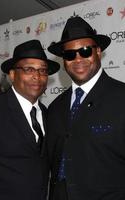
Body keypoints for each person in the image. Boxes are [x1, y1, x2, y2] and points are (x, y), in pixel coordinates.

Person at [47, 16, 125, 200]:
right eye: (69, 54)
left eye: (85, 51)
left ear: (98, 51)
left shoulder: (122, 97)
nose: (78, 59)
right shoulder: (55, 107)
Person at [0, 39, 60, 200]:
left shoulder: (47, 113)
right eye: (29, 69)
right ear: (13, 74)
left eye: (43, 71)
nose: (37, 76)